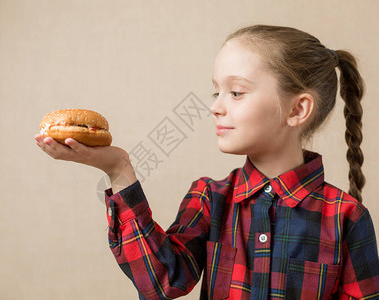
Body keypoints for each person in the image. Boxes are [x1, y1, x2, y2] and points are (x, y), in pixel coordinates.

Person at [35, 24, 379, 299]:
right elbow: (162, 283)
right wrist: (118, 170)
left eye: (237, 92)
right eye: (217, 91)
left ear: (297, 109)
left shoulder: (346, 217)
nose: (216, 106)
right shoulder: (209, 197)